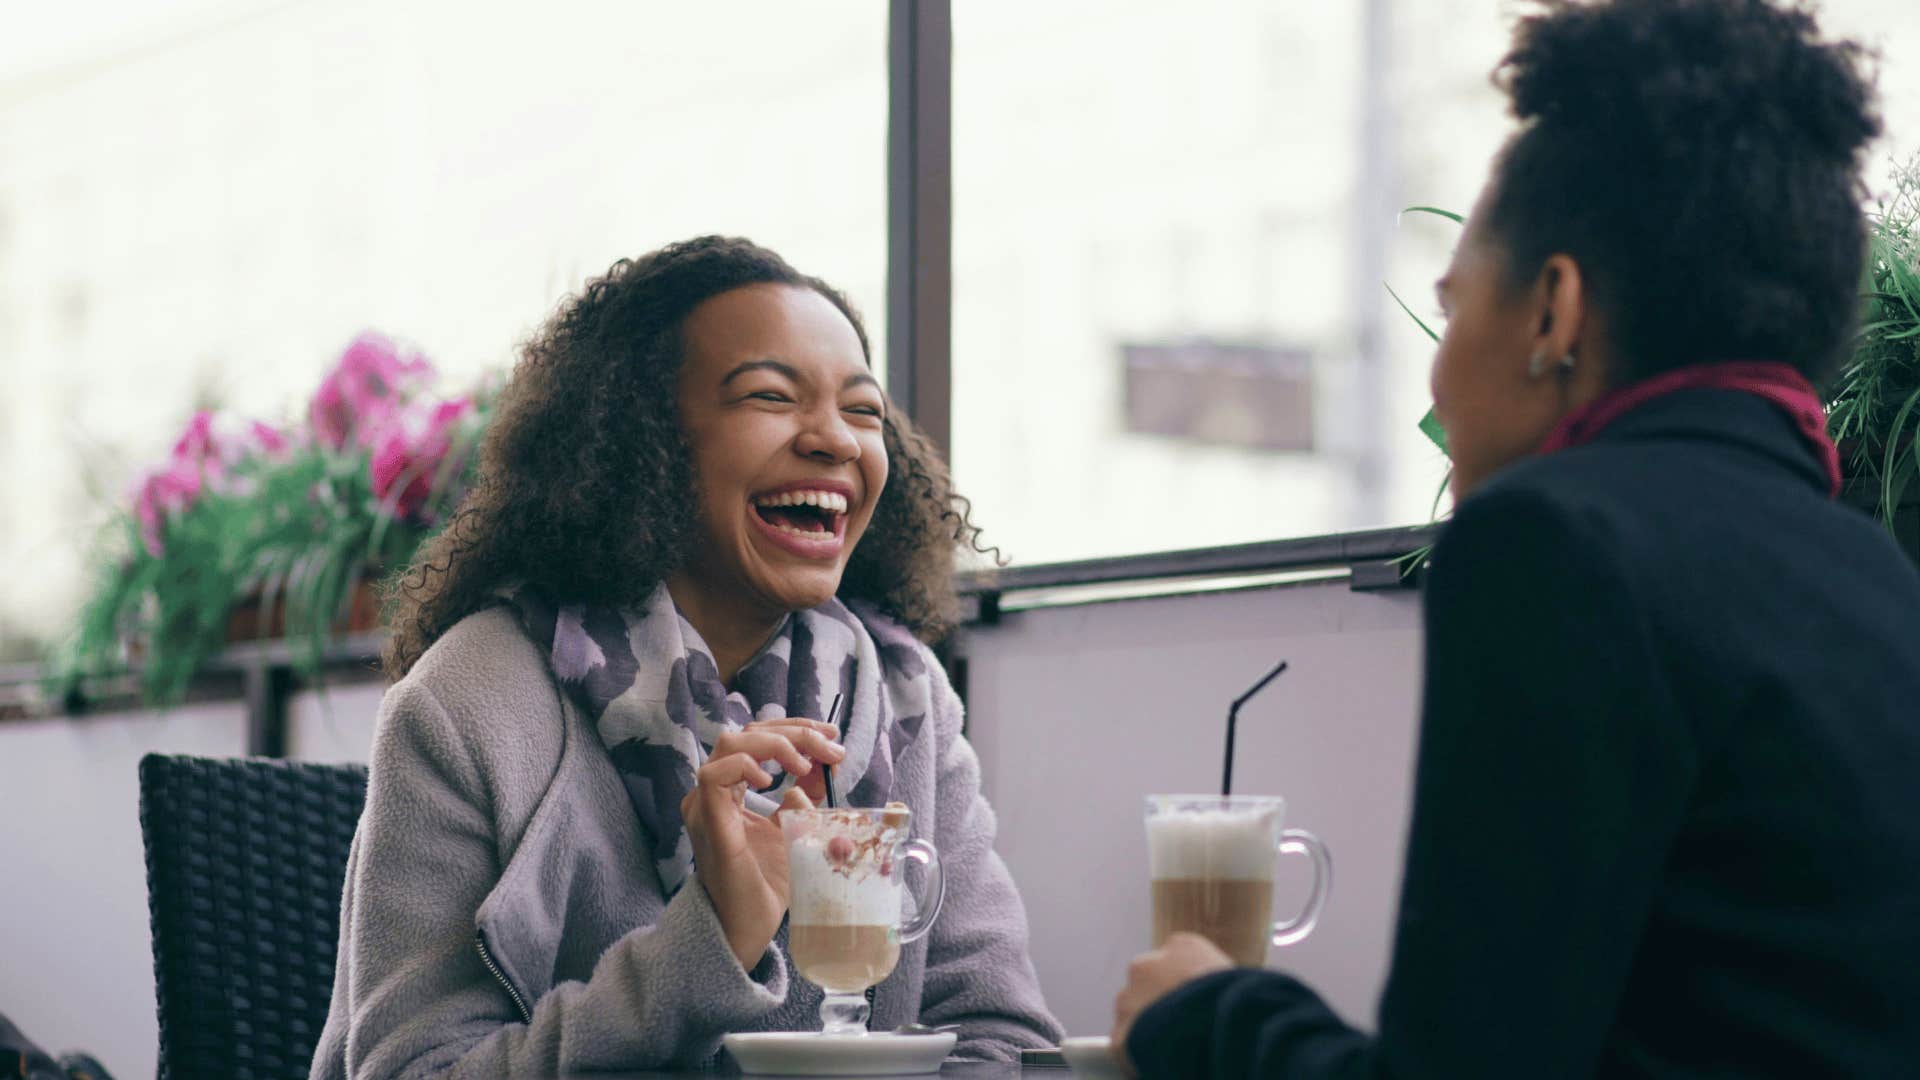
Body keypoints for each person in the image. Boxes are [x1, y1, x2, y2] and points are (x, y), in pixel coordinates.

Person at [1113, 1, 1920, 1075]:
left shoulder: (1557, 544)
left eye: (1451, 309)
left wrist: (1203, 1014)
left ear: (1554, 311)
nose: (1440, 372)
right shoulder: (1877, 574)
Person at [310, 236, 1062, 1077]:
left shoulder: (905, 697)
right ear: (647, 444)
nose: (836, 441)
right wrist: (712, 942)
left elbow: (1005, 1038)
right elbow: (412, 1069)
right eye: (771, 397)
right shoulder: (467, 705)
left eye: (862, 411)